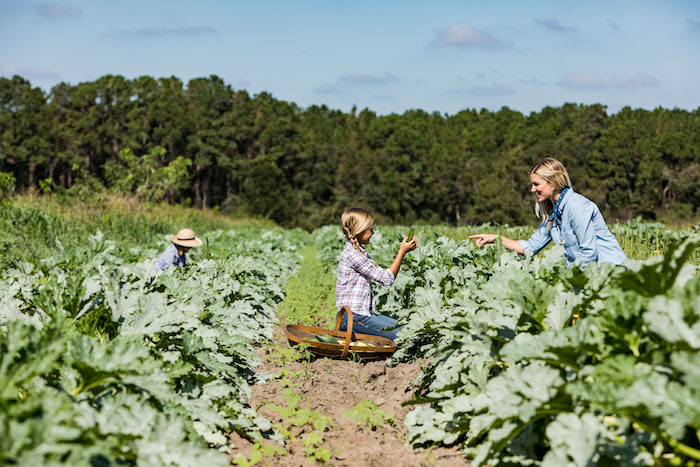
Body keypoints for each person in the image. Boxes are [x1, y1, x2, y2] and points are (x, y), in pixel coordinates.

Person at [469, 158, 627, 266]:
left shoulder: (577, 206)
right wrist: (495, 238)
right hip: (587, 274)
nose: (532, 189)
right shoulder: (553, 216)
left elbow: (589, 252)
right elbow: (529, 247)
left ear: (553, 182)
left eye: (536, 184)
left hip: (610, 272)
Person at [335, 207, 417, 341]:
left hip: (363, 315)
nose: (373, 232)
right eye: (370, 229)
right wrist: (402, 252)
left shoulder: (358, 251)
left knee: (407, 328)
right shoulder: (352, 255)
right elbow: (386, 279)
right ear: (359, 230)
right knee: (404, 336)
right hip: (352, 318)